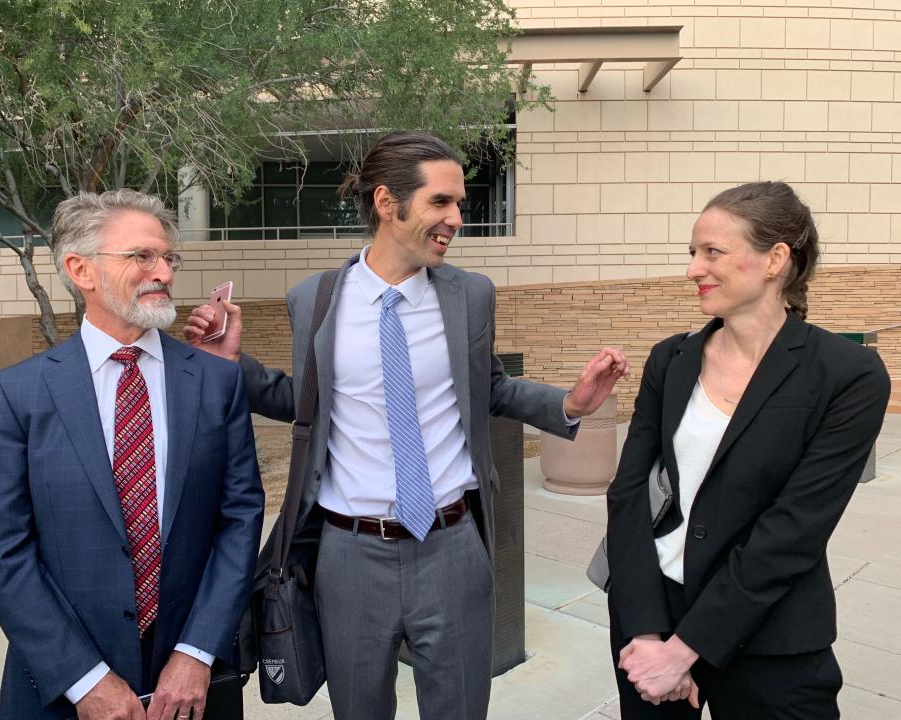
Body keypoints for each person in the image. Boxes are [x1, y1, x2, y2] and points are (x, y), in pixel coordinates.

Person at [184, 131, 630, 719]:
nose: (456, 219)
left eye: (461, 205)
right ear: (388, 204)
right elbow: (305, 402)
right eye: (441, 203)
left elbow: (489, 387)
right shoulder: (313, 300)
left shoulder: (470, 296)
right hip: (348, 556)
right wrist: (228, 368)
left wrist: (569, 404)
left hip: (451, 548)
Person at [0, 189, 264, 720]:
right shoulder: (17, 394)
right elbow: (2, 547)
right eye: (141, 257)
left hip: (195, 688)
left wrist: (196, 654)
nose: (164, 273)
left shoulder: (216, 382)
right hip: (61, 690)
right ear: (80, 269)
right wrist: (84, 681)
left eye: (168, 258)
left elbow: (239, 520)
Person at [605, 181, 890, 719]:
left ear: (775, 260)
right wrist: (645, 632)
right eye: (692, 253)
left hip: (771, 636)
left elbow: (794, 530)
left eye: (713, 252)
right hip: (651, 616)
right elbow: (627, 496)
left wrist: (685, 650)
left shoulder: (847, 375)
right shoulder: (671, 359)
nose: (693, 268)